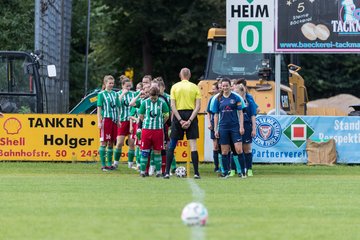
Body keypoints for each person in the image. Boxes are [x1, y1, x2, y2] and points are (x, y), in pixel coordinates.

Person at [164, 68, 201, 179]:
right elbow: (198, 106)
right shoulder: (195, 87)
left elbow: (172, 106)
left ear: (180, 75)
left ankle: (166, 172)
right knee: (193, 145)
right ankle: (196, 173)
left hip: (178, 114)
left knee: (172, 145)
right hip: (191, 115)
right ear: (189, 75)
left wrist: (180, 120)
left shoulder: (175, 87)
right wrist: (189, 120)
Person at [213, 78, 247, 178]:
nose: (225, 87)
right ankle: (226, 172)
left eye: (227, 85)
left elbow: (240, 113)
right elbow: (216, 115)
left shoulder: (236, 98)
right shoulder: (218, 99)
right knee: (224, 151)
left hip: (235, 127)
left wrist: (241, 126)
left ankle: (242, 172)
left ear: (230, 86)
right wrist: (216, 129)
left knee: (239, 149)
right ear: (221, 87)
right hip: (223, 128)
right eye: (223, 86)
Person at [138, 86, 169, 177]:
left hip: (158, 131)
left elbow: (167, 115)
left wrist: (161, 123)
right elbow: (141, 114)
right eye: (152, 98)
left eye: (155, 98)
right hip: (147, 130)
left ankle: (158, 172)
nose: (153, 100)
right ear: (149, 96)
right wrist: (146, 123)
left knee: (157, 151)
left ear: (158, 96)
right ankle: (143, 172)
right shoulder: (145, 102)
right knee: (145, 151)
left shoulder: (162, 103)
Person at [97, 75, 120, 172]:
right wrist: (99, 121)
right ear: (105, 83)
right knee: (104, 142)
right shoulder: (101, 94)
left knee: (111, 143)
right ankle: (103, 165)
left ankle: (110, 164)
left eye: (112, 83)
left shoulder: (115, 94)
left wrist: (118, 120)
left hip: (114, 120)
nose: (111, 85)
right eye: (109, 83)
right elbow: (99, 108)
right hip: (106, 120)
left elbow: (118, 107)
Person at [234, 78, 258, 176]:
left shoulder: (249, 98)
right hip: (235, 126)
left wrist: (253, 128)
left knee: (246, 148)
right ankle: (236, 170)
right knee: (235, 149)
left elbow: (253, 113)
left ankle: (249, 169)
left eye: (240, 87)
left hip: (247, 126)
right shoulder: (233, 98)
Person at [113, 76, 135, 169]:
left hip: (131, 121)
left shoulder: (133, 94)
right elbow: (115, 104)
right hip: (122, 121)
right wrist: (122, 94)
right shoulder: (117, 94)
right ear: (122, 86)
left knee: (131, 143)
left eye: (130, 86)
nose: (128, 88)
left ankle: (130, 164)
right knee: (119, 143)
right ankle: (116, 162)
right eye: (127, 86)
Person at [206, 81, 221, 172]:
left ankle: (225, 166)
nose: (213, 91)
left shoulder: (224, 98)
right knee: (215, 146)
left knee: (223, 146)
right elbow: (208, 111)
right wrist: (209, 123)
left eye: (214, 89)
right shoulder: (212, 99)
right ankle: (216, 166)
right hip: (214, 123)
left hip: (223, 124)